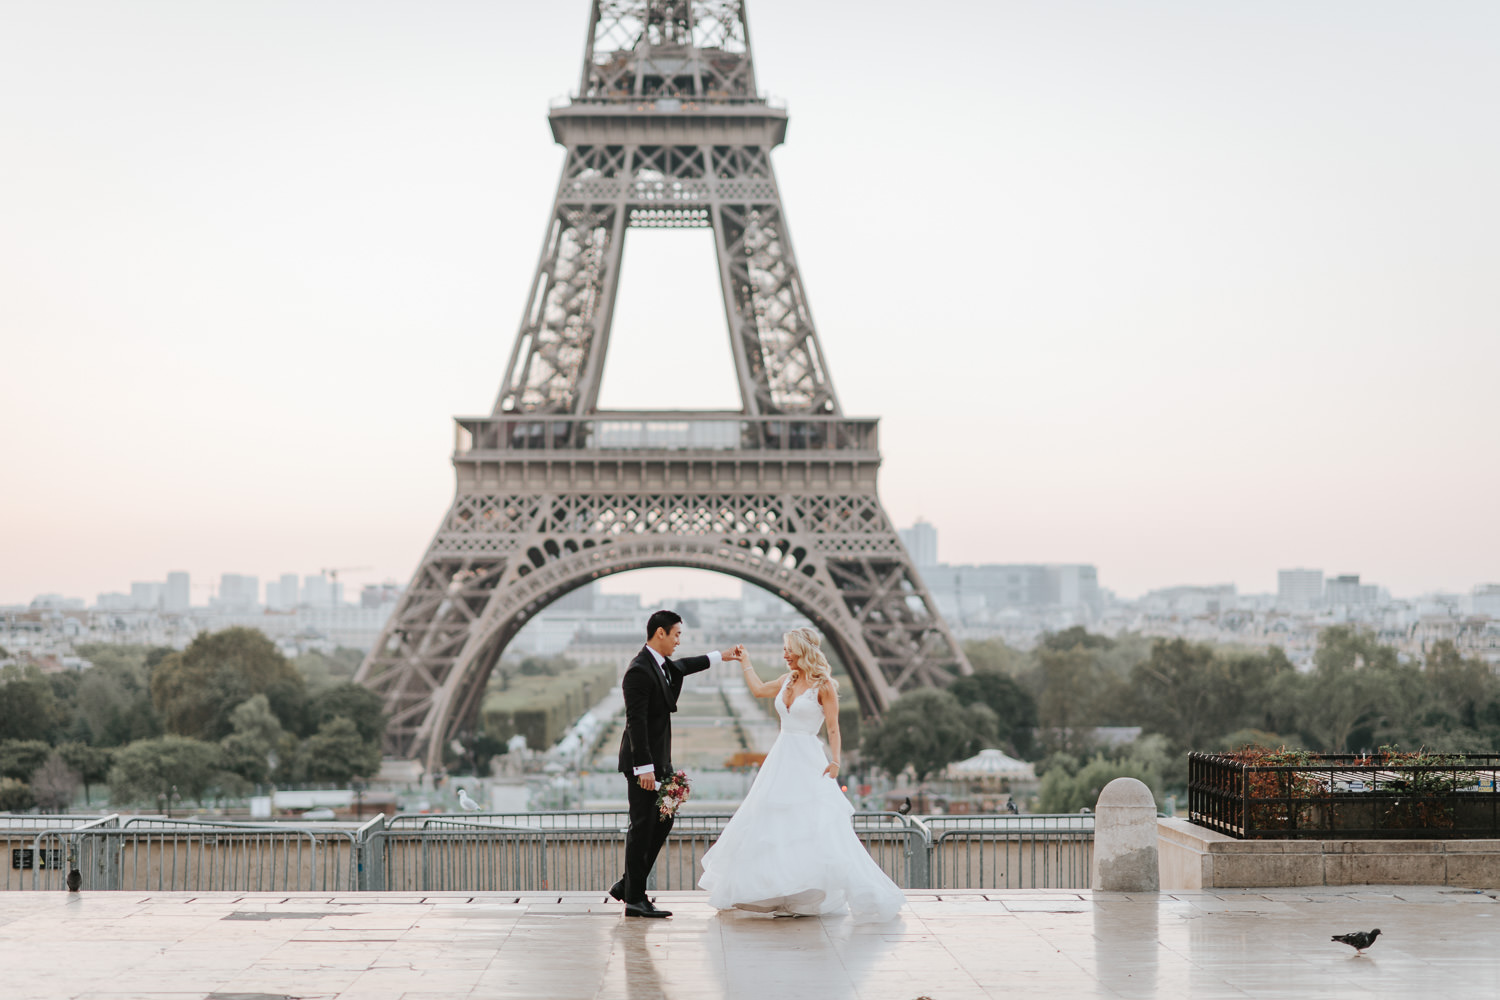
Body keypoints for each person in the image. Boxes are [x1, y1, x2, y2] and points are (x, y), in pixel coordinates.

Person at [698, 627, 904, 922]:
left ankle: (804, 895)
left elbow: (833, 728)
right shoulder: (787, 680)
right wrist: (745, 662)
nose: (784, 654)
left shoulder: (824, 686)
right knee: (776, 825)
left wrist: (836, 761)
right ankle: (783, 892)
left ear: (803, 651)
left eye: (788, 649)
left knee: (807, 825)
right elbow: (758, 690)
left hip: (808, 760)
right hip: (782, 757)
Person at [611, 609, 741, 918]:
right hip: (644, 767)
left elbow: (683, 666)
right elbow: (635, 722)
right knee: (642, 828)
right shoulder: (639, 671)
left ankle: (628, 885)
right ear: (661, 633)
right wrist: (644, 768)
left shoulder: (659, 664)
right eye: (677, 634)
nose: (679, 641)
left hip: (660, 762)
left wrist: (720, 656)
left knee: (662, 821)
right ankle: (634, 899)